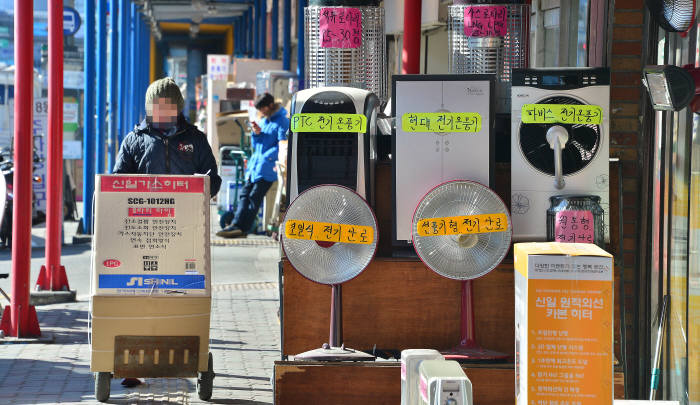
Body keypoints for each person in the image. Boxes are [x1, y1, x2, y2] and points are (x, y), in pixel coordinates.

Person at [112, 77, 221, 388]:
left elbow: (214, 178)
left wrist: (201, 188)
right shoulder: (134, 140)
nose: (162, 110)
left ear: (178, 108)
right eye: (156, 105)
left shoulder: (195, 140)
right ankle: (133, 362)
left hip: (186, 233)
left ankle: (189, 357)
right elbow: (119, 180)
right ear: (149, 107)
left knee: (183, 293)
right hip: (145, 232)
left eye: (168, 105)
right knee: (140, 295)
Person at [217, 92, 289, 238]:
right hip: (255, 166)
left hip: (268, 167)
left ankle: (242, 227)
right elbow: (256, 145)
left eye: (262, 108)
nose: (260, 112)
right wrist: (256, 133)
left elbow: (283, 144)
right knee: (244, 195)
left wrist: (269, 158)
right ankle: (236, 225)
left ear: (269, 105)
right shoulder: (263, 121)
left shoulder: (282, 121)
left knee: (254, 198)